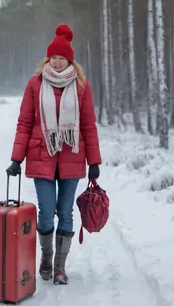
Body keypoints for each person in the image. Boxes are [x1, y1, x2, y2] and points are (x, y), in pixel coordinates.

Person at [6, 23, 102, 285]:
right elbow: (25, 123)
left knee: (66, 212)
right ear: (48, 58)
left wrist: (94, 160)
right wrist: (17, 158)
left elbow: (88, 125)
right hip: (42, 155)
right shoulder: (35, 84)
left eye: (62, 58)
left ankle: (60, 267)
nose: (58, 63)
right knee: (46, 212)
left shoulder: (81, 85)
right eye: (54, 58)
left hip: (71, 156)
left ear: (69, 59)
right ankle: (46, 260)